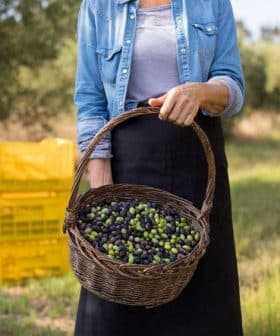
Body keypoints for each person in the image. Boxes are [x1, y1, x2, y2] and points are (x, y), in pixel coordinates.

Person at [73, 0, 245, 335]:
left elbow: (233, 86)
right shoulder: (98, 6)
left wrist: (201, 92)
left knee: (202, 307)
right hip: (128, 163)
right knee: (115, 305)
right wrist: (104, 191)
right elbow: (90, 100)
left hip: (197, 162)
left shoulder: (211, 4)